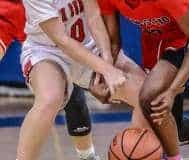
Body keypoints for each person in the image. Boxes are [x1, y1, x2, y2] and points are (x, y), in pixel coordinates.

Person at [90, 0, 189, 159]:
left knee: (151, 98)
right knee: (166, 121)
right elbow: (114, 42)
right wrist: (103, 74)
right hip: (157, 37)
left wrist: (173, 90)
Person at [17, 0, 126, 159]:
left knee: (142, 93)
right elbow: (62, 40)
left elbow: (94, 17)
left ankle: (165, 153)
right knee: (51, 98)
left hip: (88, 46)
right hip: (48, 51)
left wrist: (107, 59)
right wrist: (105, 69)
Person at [0, 1, 104, 159]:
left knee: (73, 94)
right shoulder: (12, 8)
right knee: (56, 95)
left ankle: (87, 155)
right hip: (44, 48)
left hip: (75, 39)